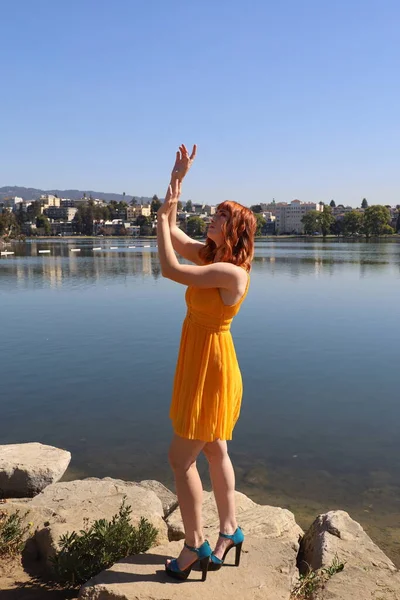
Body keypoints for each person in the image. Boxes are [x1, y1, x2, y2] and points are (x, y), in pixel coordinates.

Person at [157, 145, 256, 582]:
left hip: (212, 368)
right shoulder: (212, 256)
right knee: (215, 450)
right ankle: (230, 530)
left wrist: (161, 222)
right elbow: (177, 235)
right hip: (200, 358)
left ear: (234, 230)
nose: (211, 219)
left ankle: (194, 544)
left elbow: (169, 267)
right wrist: (176, 183)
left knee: (180, 460)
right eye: (213, 214)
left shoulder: (232, 273)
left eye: (219, 216)